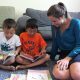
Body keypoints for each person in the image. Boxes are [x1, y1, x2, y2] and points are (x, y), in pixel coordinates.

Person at [47, 2, 80, 80]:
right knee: (58, 73)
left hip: (76, 53)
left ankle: (74, 72)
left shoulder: (76, 23)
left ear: (61, 17)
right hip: (64, 54)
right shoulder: (56, 26)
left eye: (54, 21)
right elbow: (55, 43)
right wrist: (51, 58)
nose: (52, 23)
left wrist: (67, 59)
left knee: (76, 74)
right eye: (51, 21)